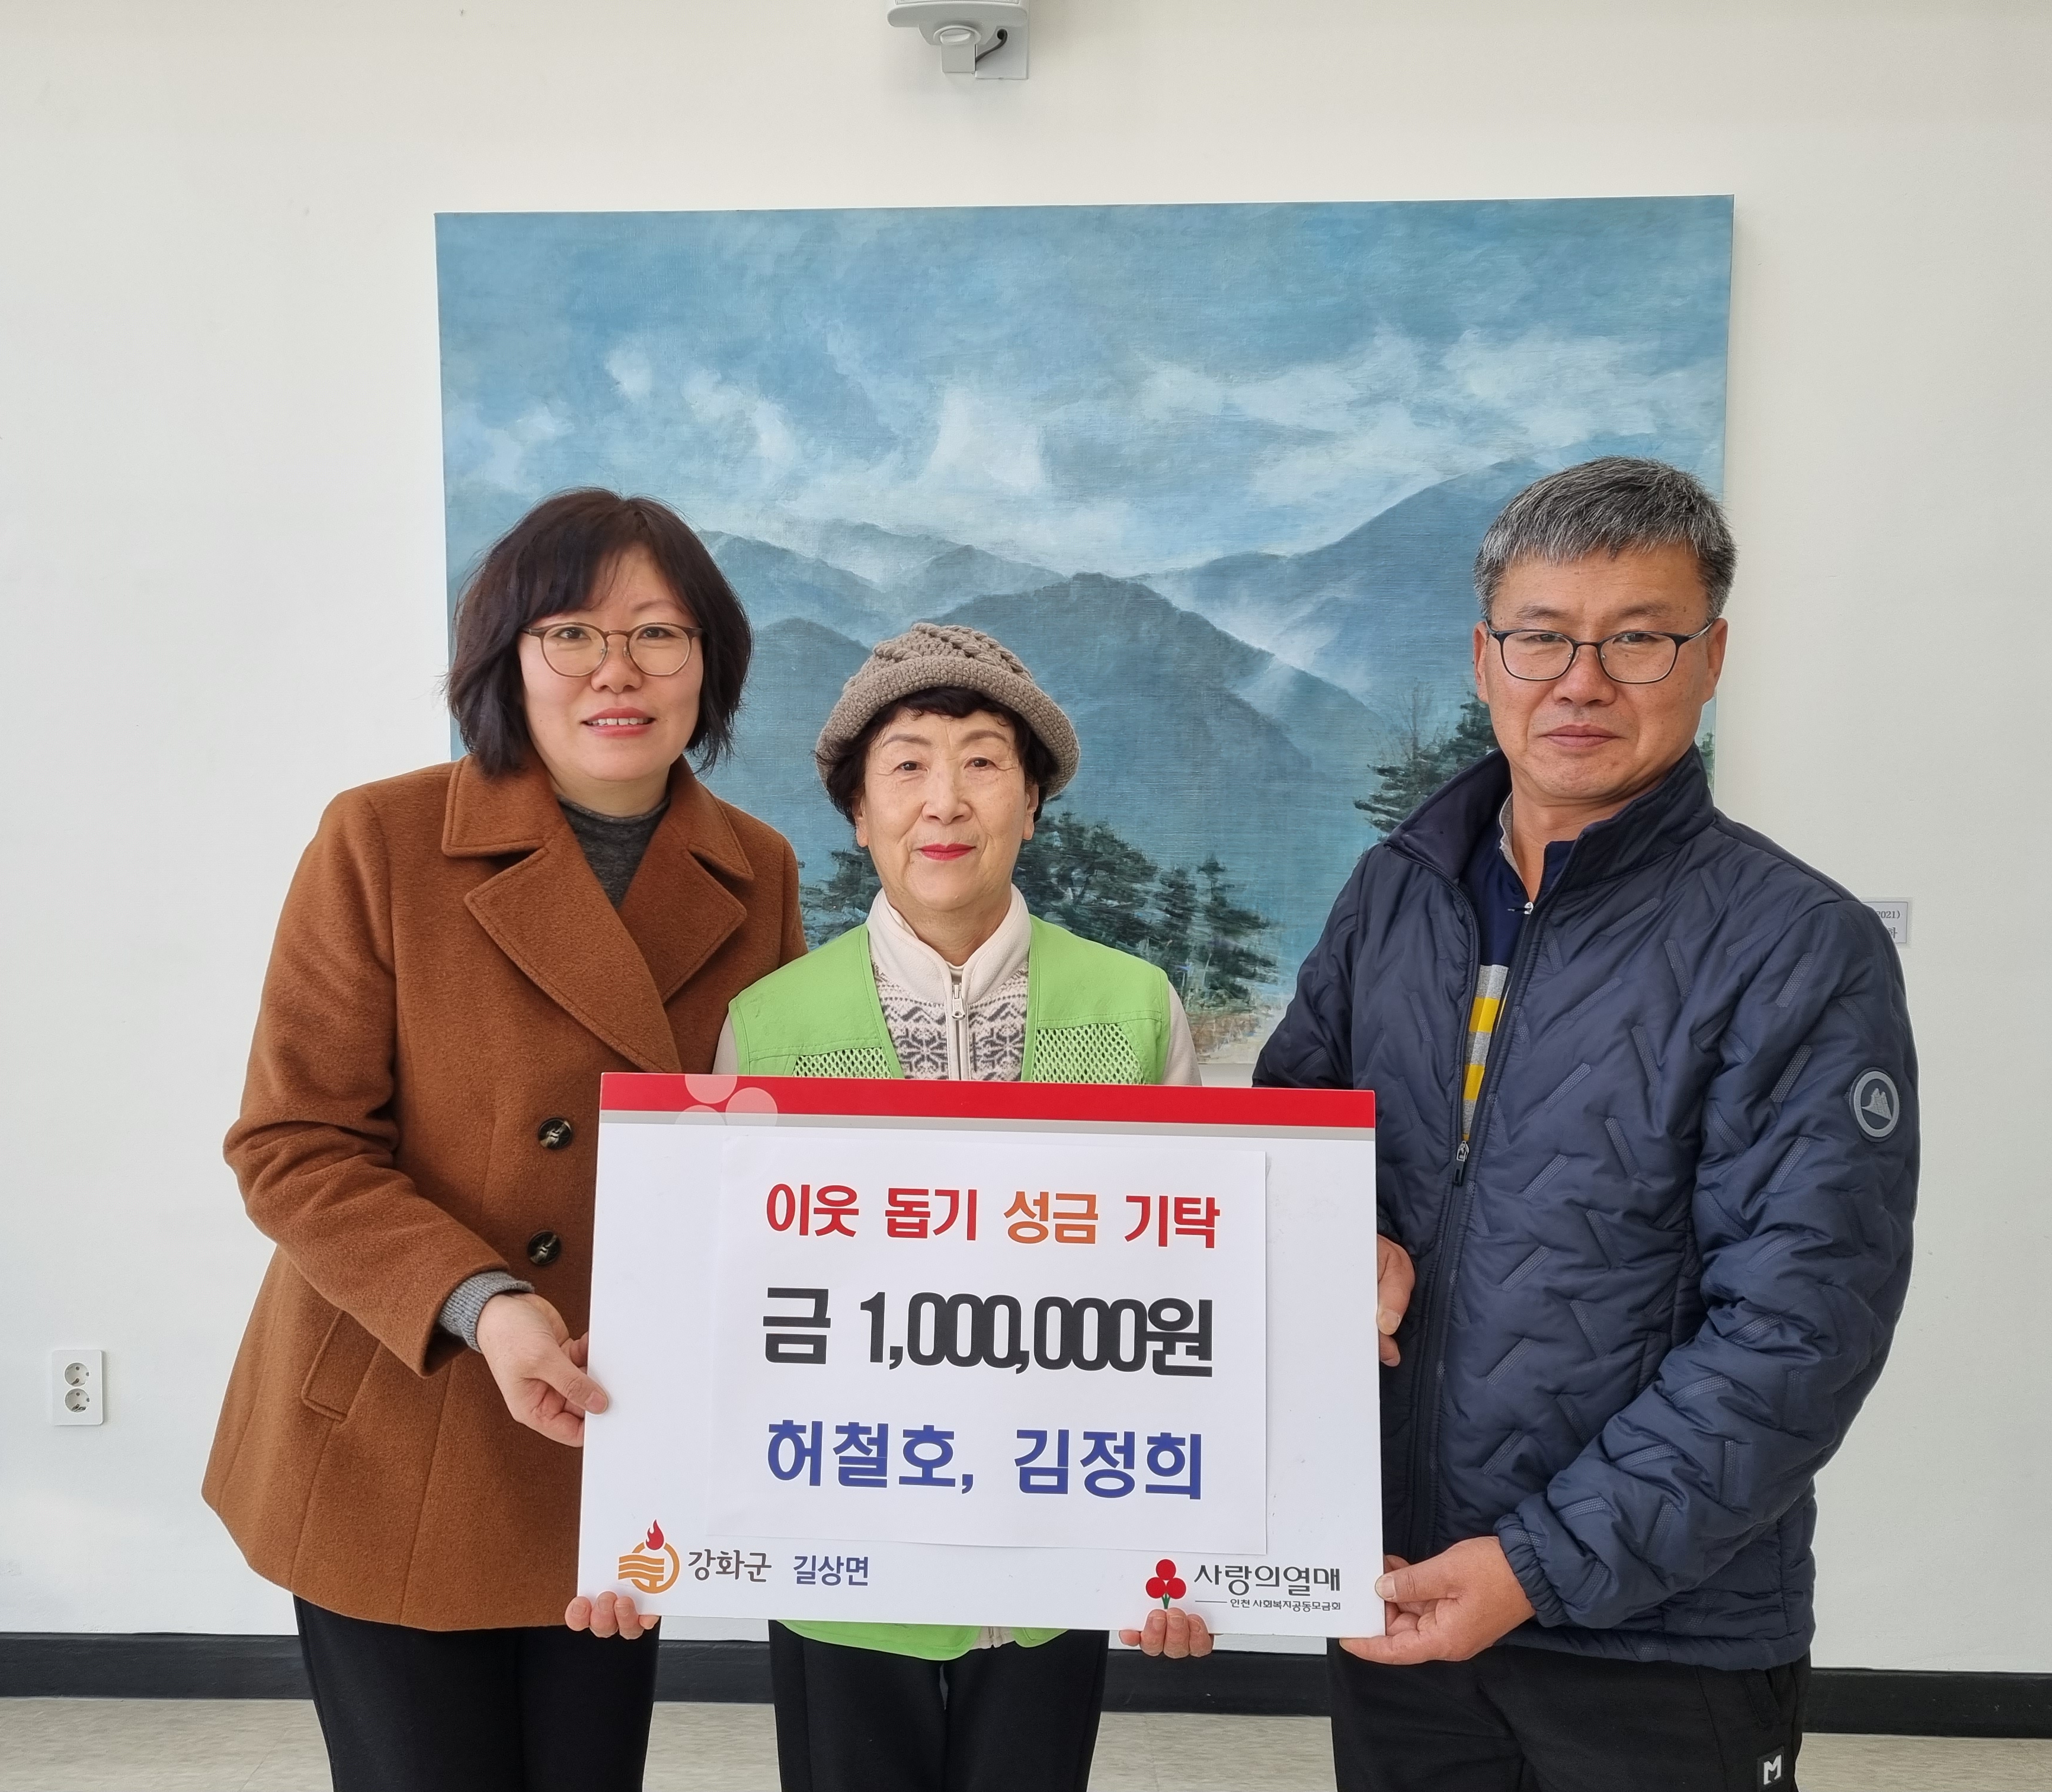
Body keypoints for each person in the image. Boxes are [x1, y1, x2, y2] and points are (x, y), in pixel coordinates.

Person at [1257, 458, 1918, 1792]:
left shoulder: (1798, 945)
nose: (1582, 682)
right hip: (1395, 1589)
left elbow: (1799, 1331)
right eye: (1543, 637)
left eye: (1639, 640)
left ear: (1711, 657)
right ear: (1484, 657)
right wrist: (1332, 1241)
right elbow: (1288, 1150)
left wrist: (1535, 1566)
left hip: (1659, 1638)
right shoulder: (1395, 893)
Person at [203, 489, 805, 1792]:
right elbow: (294, 1144)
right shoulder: (381, 837)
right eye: (571, 633)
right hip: (407, 1406)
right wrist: (488, 1305)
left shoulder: (756, 869)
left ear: (710, 662)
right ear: (506, 657)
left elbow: (763, 1162)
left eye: (659, 634)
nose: (617, 672)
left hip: (612, 1430)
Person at [713, 623, 1215, 1792]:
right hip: (842, 1551)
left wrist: (1186, 1546)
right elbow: (731, 1299)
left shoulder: (1134, 1006)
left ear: (1032, 803)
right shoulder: (770, 1024)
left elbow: (1192, 1294)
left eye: (984, 761)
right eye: (907, 765)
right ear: (858, 811)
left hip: (1062, 1540)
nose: (945, 800)